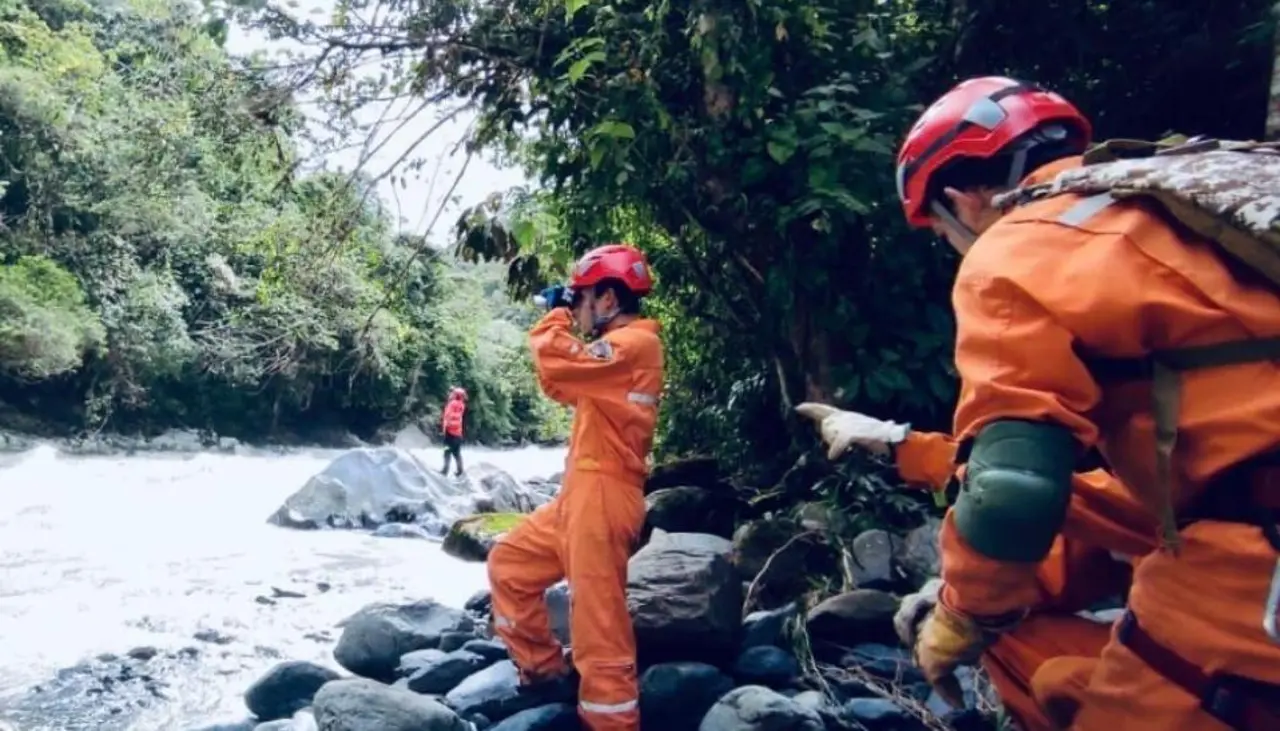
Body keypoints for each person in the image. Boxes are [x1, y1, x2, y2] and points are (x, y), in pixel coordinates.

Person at [890, 75, 1280, 730]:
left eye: (943, 231)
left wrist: (962, 613)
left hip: (1252, 566)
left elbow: (1011, 491)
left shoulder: (1016, 245)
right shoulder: (1190, 198)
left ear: (960, 200)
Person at [796, 403, 1154, 730]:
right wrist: (903, 447)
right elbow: (1078, 525)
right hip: (1173, 654)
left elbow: (1017, 494)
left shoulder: (1187, 474)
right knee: (1003, 625)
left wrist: (958, 609)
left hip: (1194, 684)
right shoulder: (1171, 469)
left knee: (1055, 676)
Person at [486, 244, 664, 731]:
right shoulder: (612, 356)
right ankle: (545, 674)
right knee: (509, 566)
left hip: (604, 494)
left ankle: (610, 721)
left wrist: (555, 317)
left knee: (597, 621)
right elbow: (557, 382)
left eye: (583, 298)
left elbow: (559, 362)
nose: (578, 308)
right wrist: (565, 317)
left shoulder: (635, 345)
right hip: (580, 493)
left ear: (607, 300)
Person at [440, 387, 467, 477]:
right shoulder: (462, 405)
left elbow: (447, 417)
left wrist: (444, 430)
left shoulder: (451, 404)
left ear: (455, 395)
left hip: (449, 433)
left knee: (446, 451)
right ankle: (460, 471)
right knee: (457, 453)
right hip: (458, 433)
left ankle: (445, 470)